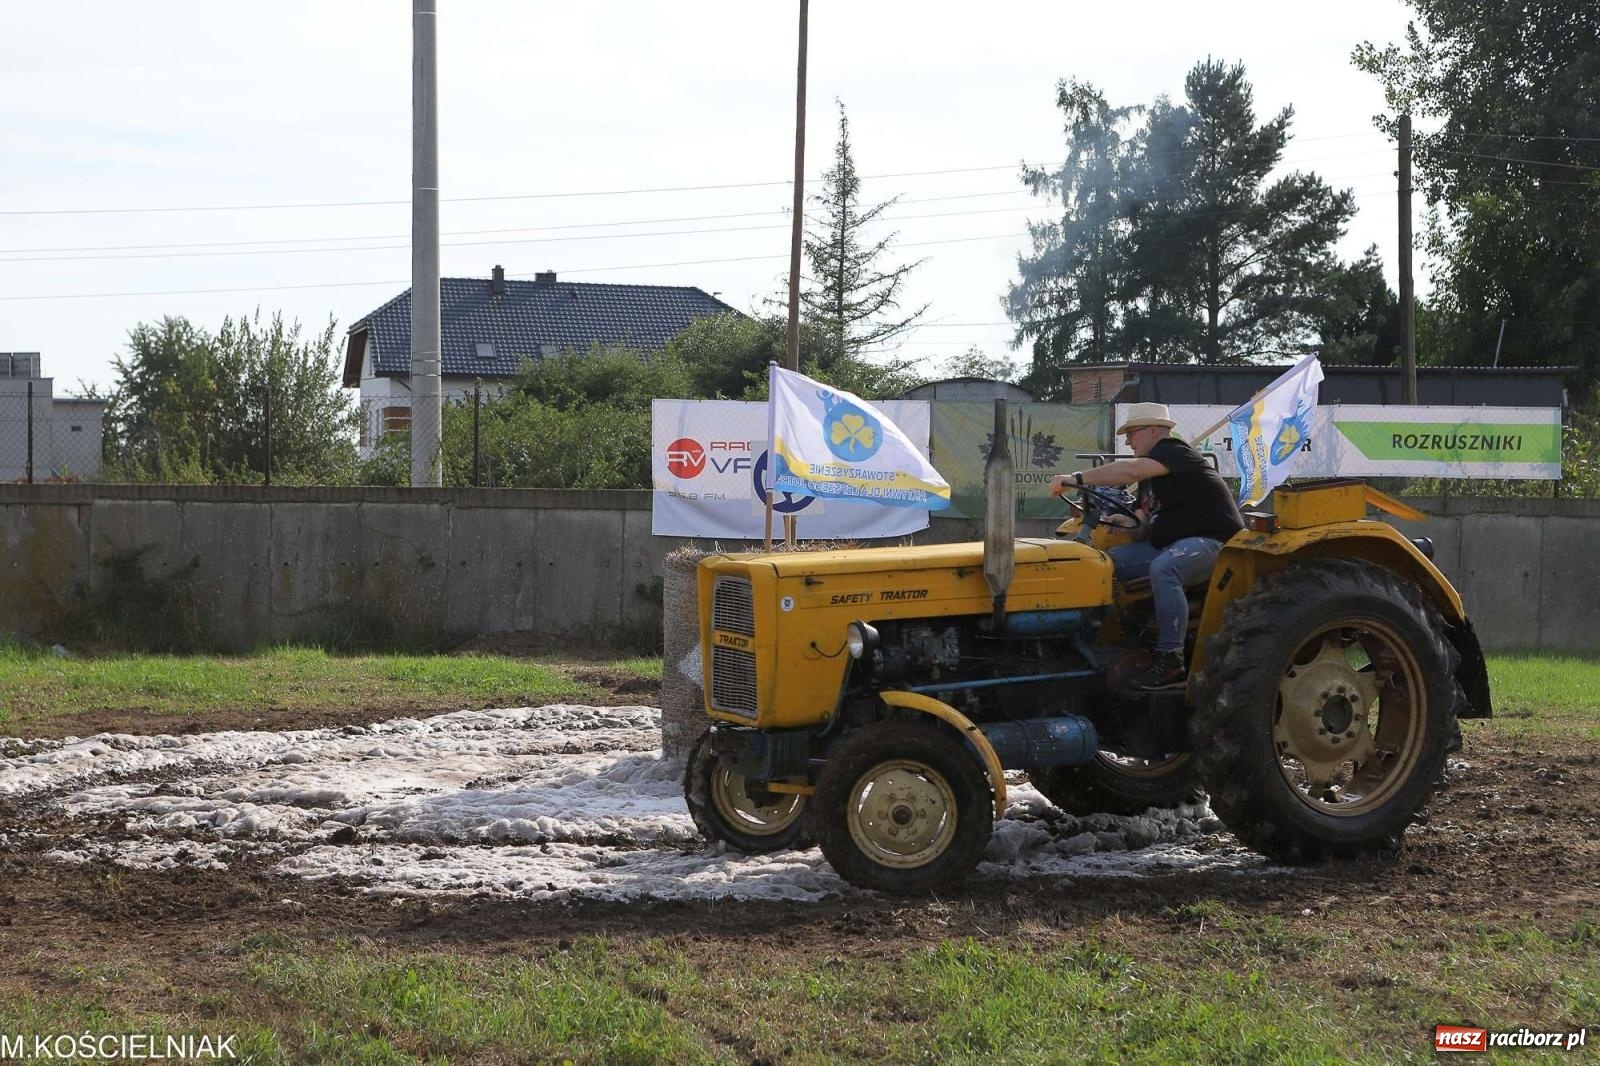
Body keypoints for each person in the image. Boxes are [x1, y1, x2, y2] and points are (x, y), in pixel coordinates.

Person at [1050, 402, 1244, 690]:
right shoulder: (1150, 478)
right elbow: (1142, 521)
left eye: (1132, 433)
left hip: (1214, 544)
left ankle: (1171, 658)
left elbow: (1128, 471)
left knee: (1165, 568)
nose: (1128, 441)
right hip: (1168, 543)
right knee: (1102, 565)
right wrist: (1124, 522)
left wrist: (1076, 479)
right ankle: (1102, 640)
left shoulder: (1174, 452)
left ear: (1154, 431)